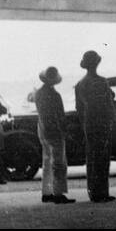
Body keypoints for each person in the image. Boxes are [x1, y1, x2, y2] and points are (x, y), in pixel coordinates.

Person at [75, 51, 116, 203]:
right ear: (97, 63)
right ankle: (102, 192)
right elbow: (110, 98)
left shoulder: (81, 83)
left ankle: (94, 193)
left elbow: (79, 108)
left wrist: (85, 124)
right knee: (103, 159)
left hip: (90, 124)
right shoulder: (101, 81)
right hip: (102, 123)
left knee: (92, 158)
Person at [35, 67, 75, 204]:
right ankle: (58, 193)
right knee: (59, 163)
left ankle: (46, 192)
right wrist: (64, 131)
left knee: (46, 162)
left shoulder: (38, 93)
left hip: (42, 130)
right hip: (54, 132)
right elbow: (60, 116)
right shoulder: (55, 95)